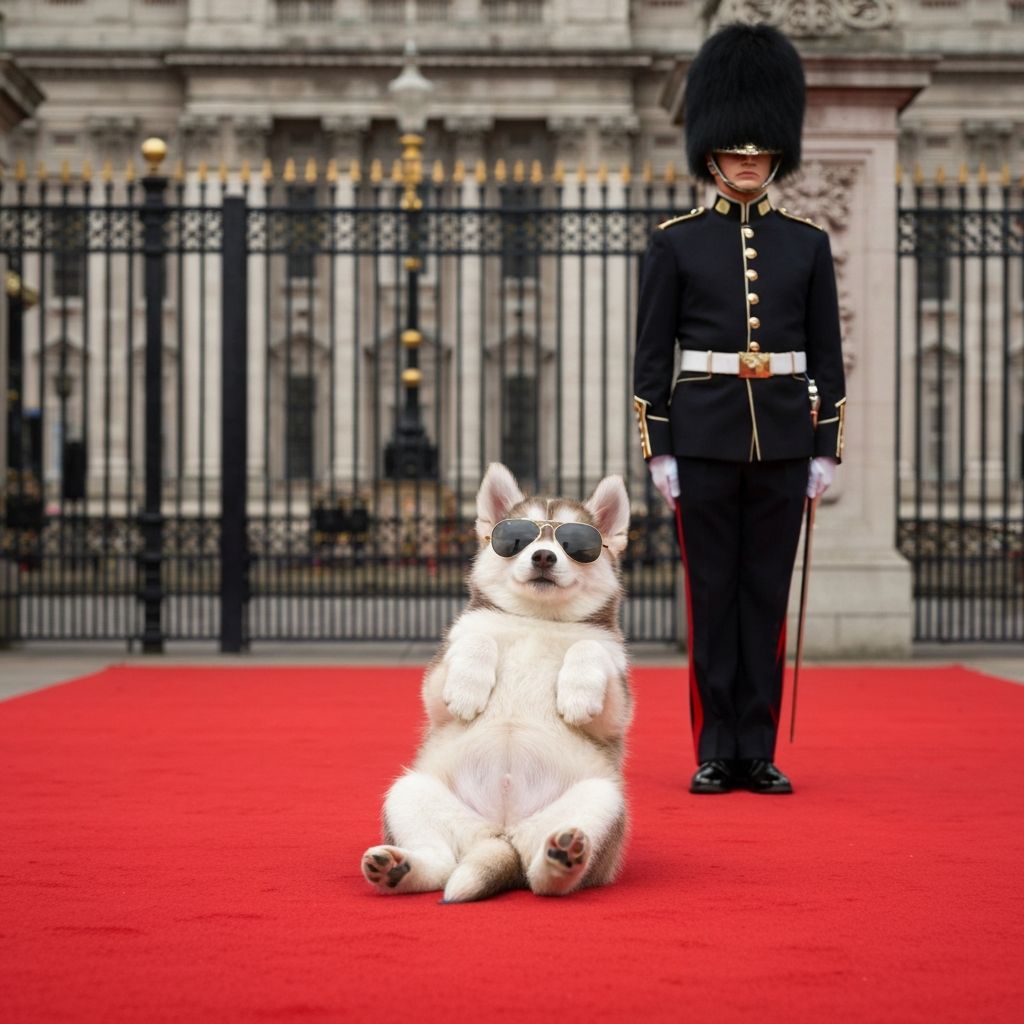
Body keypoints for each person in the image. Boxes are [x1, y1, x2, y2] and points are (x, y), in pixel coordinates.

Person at [632, 23, 846, 795]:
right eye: (734, 149)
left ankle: (757, 745)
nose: (747, 160)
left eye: (759, 150)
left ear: (775, 153)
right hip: (705, 440)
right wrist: (659, 449)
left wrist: (825, 446)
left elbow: (828, 353)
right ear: (712, 152)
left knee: (765, 596)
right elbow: (652, 356)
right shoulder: (676, 244)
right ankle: (714, 747)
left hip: (786, 441)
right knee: (713, 596)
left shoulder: (807, 243)